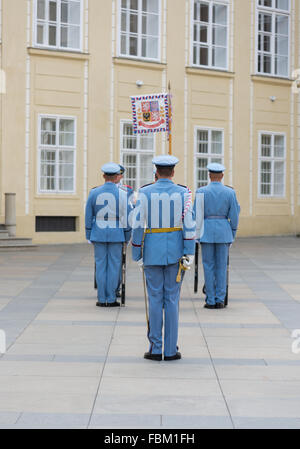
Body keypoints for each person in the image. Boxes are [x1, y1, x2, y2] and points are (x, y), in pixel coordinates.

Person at [131, 155, 195, 361]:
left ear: (156, 172)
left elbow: (138, 224)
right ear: (173, 172)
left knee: (155, 299)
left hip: (151, 251)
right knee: (173, 300)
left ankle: (156, 348)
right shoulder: (183, 193)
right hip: (176, 251)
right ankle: (170, 349)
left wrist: (136, 252)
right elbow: (189, 224)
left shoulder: (145, 192)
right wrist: (189, 251)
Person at [85, 162, 132, 307]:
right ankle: (111, 298)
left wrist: (88, 233)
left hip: (98, 231)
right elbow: (127, 217)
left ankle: (101, 297)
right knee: (114, 265)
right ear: (117, 176)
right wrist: (127, 236)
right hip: (116, 232)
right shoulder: (123, 194)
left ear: (104, 176)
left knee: (100, 265)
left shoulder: (94, 192)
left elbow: (88, 214)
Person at [193, 163, 240, 309]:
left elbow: (197, 214)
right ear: (222, 176)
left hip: (206, 230)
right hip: (223, 231)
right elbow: (234, 215)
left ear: (209, 175)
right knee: (221, 266)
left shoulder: (201, 191)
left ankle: (210, 300)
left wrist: (197, 234)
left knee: (208, 266)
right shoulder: (230, 192)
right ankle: (220, 298)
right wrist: (232, 232)